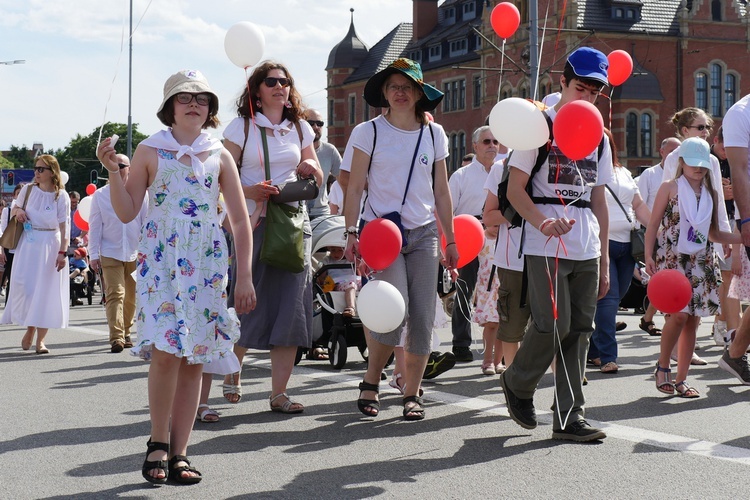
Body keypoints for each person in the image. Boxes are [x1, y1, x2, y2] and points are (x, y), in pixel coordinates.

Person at [97, 69, 256, 485]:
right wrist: (113, 169)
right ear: (170, 107)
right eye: (184, 98)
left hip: (206, 265)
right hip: (161, 262)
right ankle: (157, 442)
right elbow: (129, 211)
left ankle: (181, 452)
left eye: (201, 99)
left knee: (193, 360)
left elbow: (240, 221)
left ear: (210, 110)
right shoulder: (151, 150)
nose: (193, 104)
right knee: (167, 352)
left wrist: (244, 277)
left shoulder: (219, 154)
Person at [499, 47, 613, 441]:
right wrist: (543, 222)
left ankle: (569, 417)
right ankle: (516, 382)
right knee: (552, 324)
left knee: (580, 329)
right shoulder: (538, 127)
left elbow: (598, 197)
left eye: (595, 92)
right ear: (562, 82)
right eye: (581, 87)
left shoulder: (600, 135)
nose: (587, 97)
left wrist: (606, 261)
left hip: (587, 245)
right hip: (544, 241)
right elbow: (515, 190)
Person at [342, 57, 458, 421]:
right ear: (384, 94)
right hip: (382, 233)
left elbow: (441, 190)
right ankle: (372, 379)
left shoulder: (434, 134)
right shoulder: (368, 132)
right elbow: (355, 185)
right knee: (394, 310)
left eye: (408, 86)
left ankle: (412, 392)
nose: (400, 92)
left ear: (420, 92)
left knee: (423, 315)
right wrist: (350, 231)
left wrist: (450, 239)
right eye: (394, 86)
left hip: (424, 233)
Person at [222, 60, 323, 413]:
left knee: (292, 307)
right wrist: (250, 191)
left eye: (285, 81)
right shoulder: (242, 128)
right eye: (271, 81)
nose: (280, 86)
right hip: (254, 222)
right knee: (248, 300)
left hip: (293, 222)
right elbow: (221, 176)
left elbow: (317, 177)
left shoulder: (299, 129)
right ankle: (232, 370)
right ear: (257, 90)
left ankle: (278, 393)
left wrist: (312, 168)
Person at [645, 137, 740, 397]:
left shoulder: (710, 193)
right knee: (679, 315)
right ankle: (663, 366)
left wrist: (741, 237)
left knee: (692, 321)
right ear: (682, 162)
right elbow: (652, 225)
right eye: (692, 163)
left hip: (701, 259)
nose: (698, 169)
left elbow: (713, 233)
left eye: (702, 164)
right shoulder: (669, 187)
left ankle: (681, 379)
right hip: (673, 257)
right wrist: (648, 255)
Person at [662, 107, 731, 365]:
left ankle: (687, 349)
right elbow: (667, 198)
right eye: (700, 127)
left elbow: (718, 202)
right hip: (678, 239)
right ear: (685, 131)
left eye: (707, 128)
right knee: (678, 300)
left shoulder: (712, 160)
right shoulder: (675, 158)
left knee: (700, 298)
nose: (705, 132)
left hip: (704, 239)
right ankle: (672, 351)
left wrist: (724, 238)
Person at [588, 129, 651, 373]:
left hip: (628, 245)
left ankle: (593, 350)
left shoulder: (623, 172)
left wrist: (657, 227)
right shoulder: (586, 171)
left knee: (616, 296)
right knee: (609, 299)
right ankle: (607, 356)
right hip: (601, 242)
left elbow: (638, 205)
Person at [0, 155, 71, 354]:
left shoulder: (60, 195)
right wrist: (19, 211)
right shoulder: (27, 189)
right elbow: (14, 208)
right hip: (29, 244)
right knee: (27, 288)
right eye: (36, 168)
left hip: (51, 244)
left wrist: (62, 252)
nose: (37, 173)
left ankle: (40, 340)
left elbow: (65, 228)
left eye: (41, 169)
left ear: (52, 172)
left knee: (46, 292)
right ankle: (29, 328)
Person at [448, 126, 506, 363]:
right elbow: (448, 211)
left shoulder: (506, 173)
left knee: (501, 293)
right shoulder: (460, 176)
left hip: (499, 237)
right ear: (474, 146)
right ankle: (461, 343)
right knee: (465, 290)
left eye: (495, 141)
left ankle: (502, 349)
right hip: (469, 236)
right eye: (486, 141)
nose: (492, 145)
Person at [88, 153, 148, 353]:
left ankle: (127, 331)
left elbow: (146, 224)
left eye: (123, 165)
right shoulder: (100, 195)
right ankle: (116, 338)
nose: (120, 167)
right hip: (110, 251)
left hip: (134, 252)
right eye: (115, 164)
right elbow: (94, 227)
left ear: (130, 168)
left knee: (131, 296)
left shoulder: (140, 193)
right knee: (115, 293)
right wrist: (93, 255)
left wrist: (147, 252)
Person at [718, 91, 750, 385]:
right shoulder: (740, 113)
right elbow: (739, 171)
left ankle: (736, 352)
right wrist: (746, 220)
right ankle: (736, 352)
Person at [636, 137, 681, 336]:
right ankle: (670, 324)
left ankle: (648, 318)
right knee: (661, 279)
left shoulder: (682, 178)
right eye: (671, 151)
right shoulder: (650, 174)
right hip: (655, 235)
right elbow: (639, 204)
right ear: (661, 152)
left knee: (667, 280)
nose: (675, 156)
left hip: (676, 238)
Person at [710, 127, 740, 345]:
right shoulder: (706, 159)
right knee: (727, 276)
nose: (725, 152)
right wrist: (718, 192)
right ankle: (728, 327)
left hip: (731, 221)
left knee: (728, 276)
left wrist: (734, 192)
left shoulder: (735, 158)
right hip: (710, 225)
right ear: (716, 140)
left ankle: (724, 321)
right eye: (723, 146)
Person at [305, 109, 342, 219]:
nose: (316, 127)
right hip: (298, 212)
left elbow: (345, 181)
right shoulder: (294, 150)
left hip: (322, 213)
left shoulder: (329, 150)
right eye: (310, 123)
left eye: (319, 124)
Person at [0, 183, 26, 303]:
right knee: (11, 276)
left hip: (27, 247)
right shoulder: (8, 210)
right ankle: (9, 306)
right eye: (18, 193)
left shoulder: (30, 209)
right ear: (14, 195)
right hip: (11, 248)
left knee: (24, 279)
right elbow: (3, 231)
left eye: (23, 194)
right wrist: (2, 251)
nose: (20, 196)